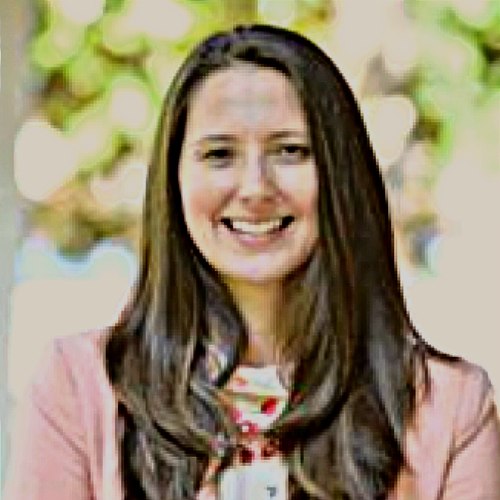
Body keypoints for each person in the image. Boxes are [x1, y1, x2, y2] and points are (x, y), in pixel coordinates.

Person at [4, 24, 500, 500]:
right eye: (219, 154)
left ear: (340, 175)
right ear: (173, 183)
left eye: (290, 151)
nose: (256, 188)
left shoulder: (450, 407)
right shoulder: (77, 385)